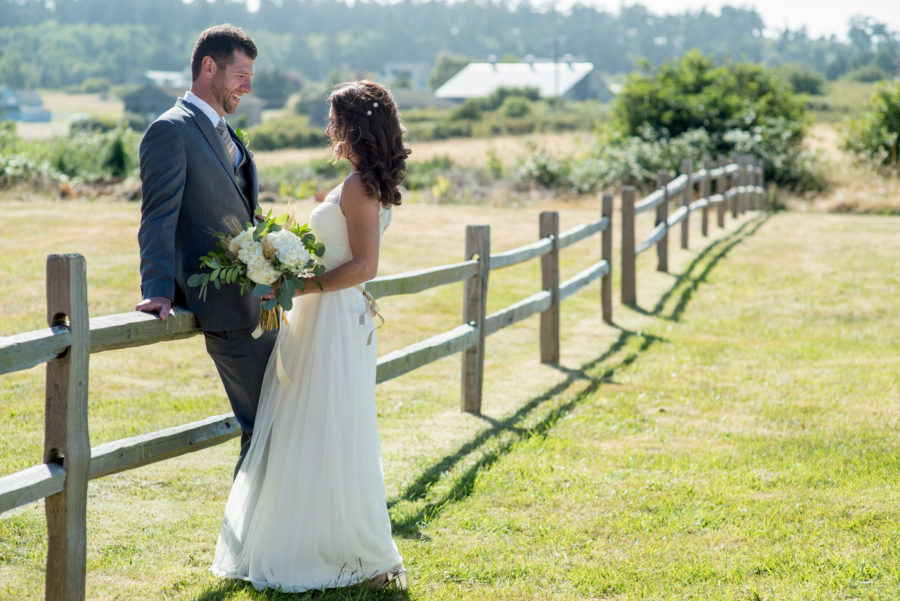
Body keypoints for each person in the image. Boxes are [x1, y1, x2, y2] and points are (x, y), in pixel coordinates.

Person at [211, 80, 411, 592]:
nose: (328, 130)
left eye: (333, 120)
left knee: (328, 427)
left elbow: (364, 265)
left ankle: (337, 547)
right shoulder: (360, 182)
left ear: (353, 126)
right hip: (329, 316)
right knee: (315, 426)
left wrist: (298, 284)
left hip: (334, 319)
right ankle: (313, 536)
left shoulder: (361, 186)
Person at [135, 24, 276, 472]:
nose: (248, 87)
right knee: (265, 429)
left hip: (261, 304)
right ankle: (253, 540)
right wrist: (157, 288)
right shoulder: (170, 130)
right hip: (222, 310)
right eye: (240, 75)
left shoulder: (225, 133)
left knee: (279, 423)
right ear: (208, 67)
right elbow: (158, 216)